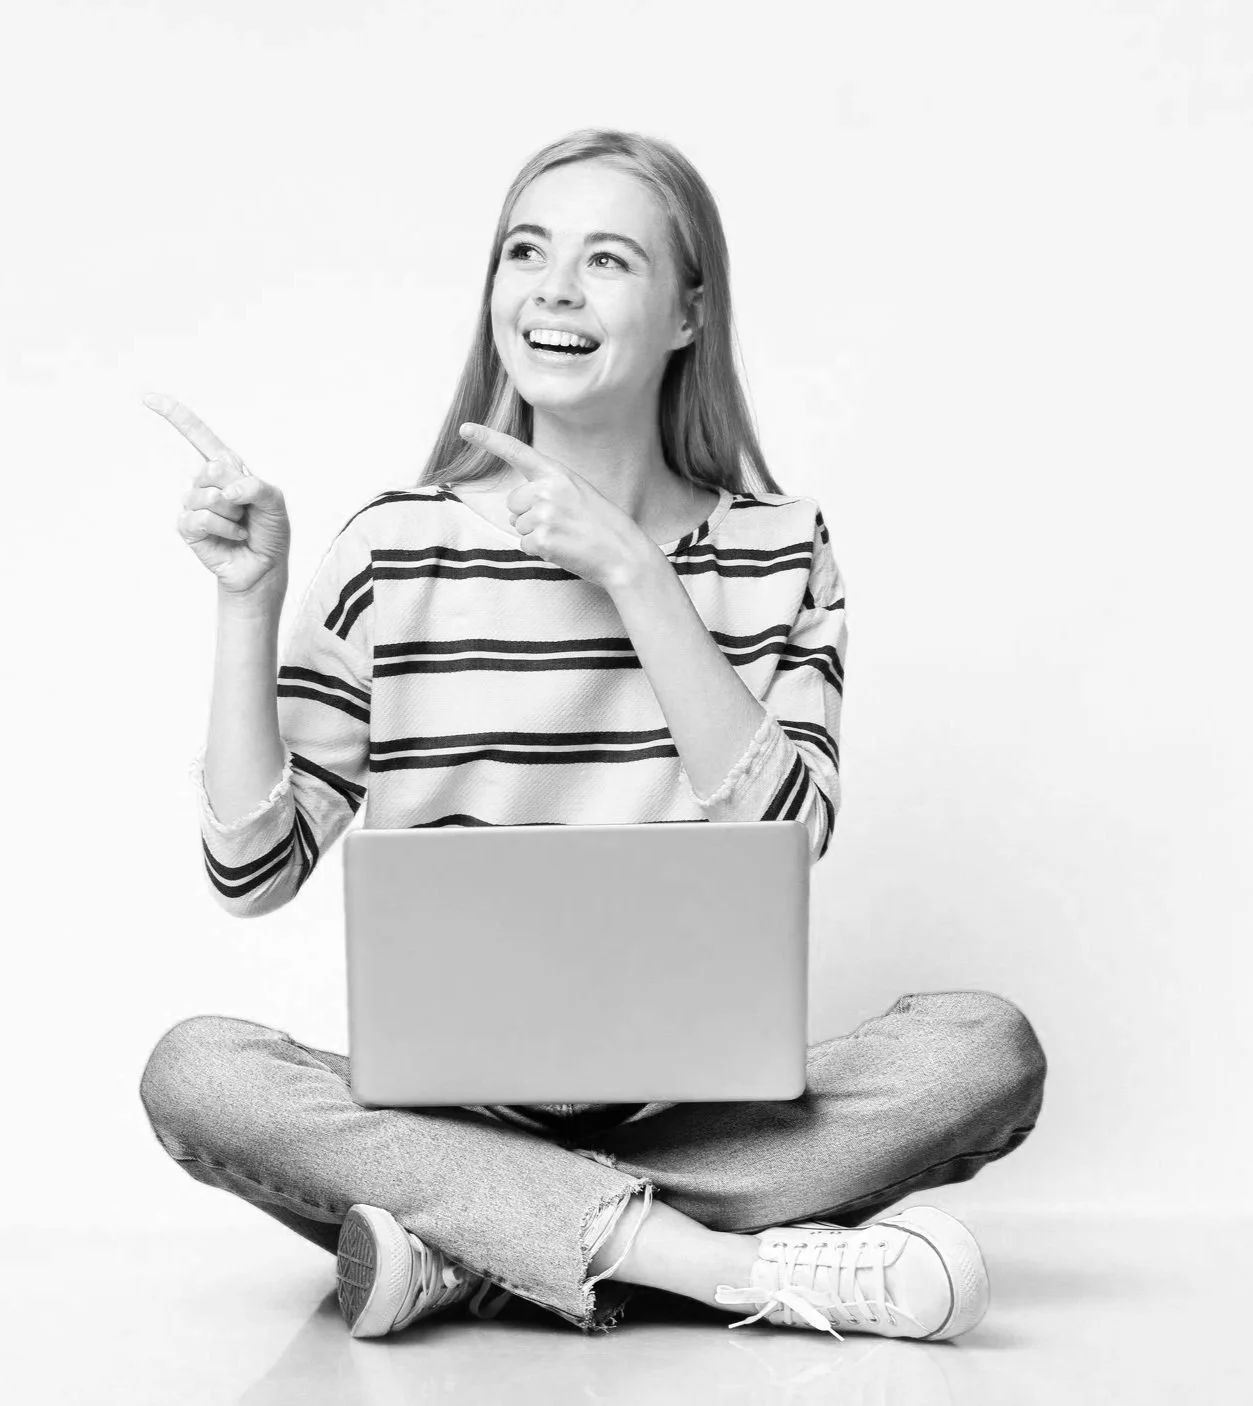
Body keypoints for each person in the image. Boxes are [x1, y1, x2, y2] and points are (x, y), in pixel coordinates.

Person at [138, 127, 1047, 1343]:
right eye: (525, 251)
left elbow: (785, 834)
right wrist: (247, 604)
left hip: (696, 1113)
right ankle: (717, 1263)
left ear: (687, 313)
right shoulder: (393, 547)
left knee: (981, 1048)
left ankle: (473, 1245)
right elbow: (251, 872)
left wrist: (635, 575)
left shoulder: (781, 549)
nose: (553, 289)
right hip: (444, 1112)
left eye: (606, 259)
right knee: (199, 1069)